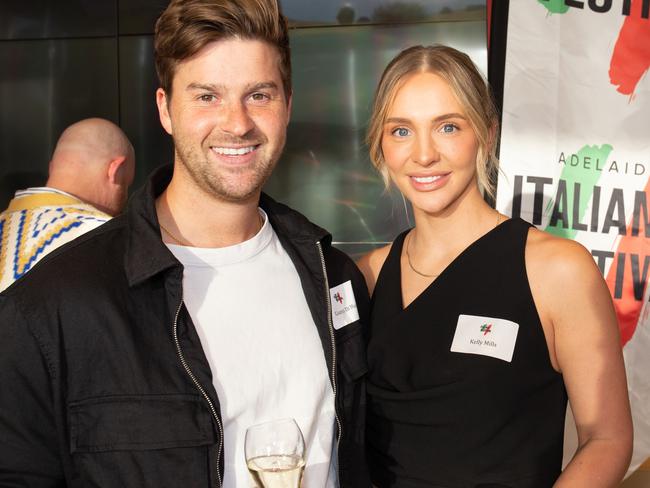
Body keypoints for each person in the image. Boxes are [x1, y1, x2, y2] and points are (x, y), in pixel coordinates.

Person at [0, 1, 370, 487]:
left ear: (287, 105)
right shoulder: (52, 308)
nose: (237, 123)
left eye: (259, 95)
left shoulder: (333, 277)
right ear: (165, 109)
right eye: (207, 96)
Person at [357, 45, 632, 487]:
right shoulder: (365, 277)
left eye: (448, 127)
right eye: (401, 130)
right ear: (380, 144)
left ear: (487, 132)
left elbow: (608, 439)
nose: (424, 154)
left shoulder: (556, 270)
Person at [0, 117, 135, 291]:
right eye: (126, 185)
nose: (125, 198)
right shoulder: (108, 239)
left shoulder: (7, 230)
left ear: (52, 168)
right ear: (114, 171)